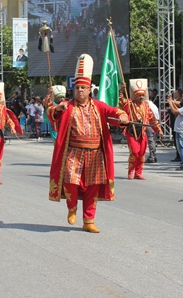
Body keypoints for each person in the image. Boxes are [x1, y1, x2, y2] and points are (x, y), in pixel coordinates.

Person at [49, 54, 129, 233]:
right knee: (71, 182)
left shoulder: (98, 106)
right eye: (77, 88)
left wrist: (122, 116)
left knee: (93, 187)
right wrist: (56, 109)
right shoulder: (67, 105)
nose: (79, 91)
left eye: (83, 88)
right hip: (73, 153)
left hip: (95, 154)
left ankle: (88, 220)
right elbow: (51, 113)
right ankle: (72, 208)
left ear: (89, 89)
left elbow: (114, 112)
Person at [120, 80, 163, 180]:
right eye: (139, 95)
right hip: (132, 131)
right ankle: (131, 171)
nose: (141, 97)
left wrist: (159, 130)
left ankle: (138, 173)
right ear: (135, 96)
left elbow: (153, 120)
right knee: (134, 152)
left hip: (142, 133)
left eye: (142, 95)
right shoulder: (130, 105)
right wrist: (122, 89)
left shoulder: (147, 107)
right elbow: (121, 100)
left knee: (142, 153)